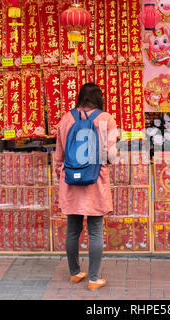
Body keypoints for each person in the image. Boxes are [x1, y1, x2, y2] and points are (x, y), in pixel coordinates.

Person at [54, 83, 117, 291]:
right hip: (95, 181)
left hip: (71, 180)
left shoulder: (66, 118)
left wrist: (60, 174)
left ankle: (74, 273)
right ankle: (93, 278)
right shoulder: (105, 118)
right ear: (99, 98)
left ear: (80, 97)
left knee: (73, 229)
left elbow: (59, 154)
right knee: (95, 229)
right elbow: (110, 155)